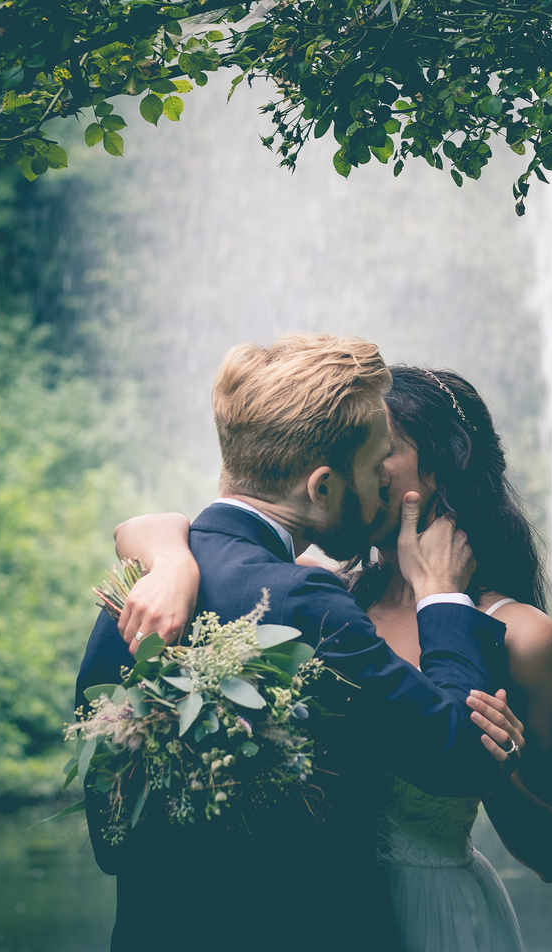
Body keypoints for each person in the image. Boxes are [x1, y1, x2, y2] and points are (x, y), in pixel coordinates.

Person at [74, 336, 527, 952]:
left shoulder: (136, 596)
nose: (379, 494)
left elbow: (110, 841)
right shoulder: (305, 604)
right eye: (373, 472)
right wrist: (443, 596)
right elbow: (461, 758)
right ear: (322, 488)